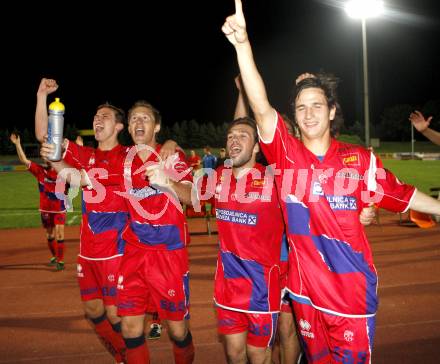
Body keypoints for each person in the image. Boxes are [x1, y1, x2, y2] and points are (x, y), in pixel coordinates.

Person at [222, 2, 440, 362]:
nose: (308, 114)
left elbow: (404, 195)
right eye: (301, 107)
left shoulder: (358, 160)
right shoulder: (285, 154)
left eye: (317, 106)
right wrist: (243, 45)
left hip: (350, 294)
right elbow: (260, 106)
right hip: (305, 294)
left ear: (333, 111)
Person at [36, 78, 128, 363]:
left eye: (105, 116)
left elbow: (77, 178)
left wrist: (56, 162)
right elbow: (45, 137)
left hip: (116, 251)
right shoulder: (85, 154)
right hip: (88, 251)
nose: (97, 119)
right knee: (93, 312)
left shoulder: (126, 156)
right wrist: (41, 97)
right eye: (96, 115)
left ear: (118, 127)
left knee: (116, 315)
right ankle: (124, 355)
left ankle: (132, 356)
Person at [115, 100, 195, 364]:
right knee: (130, 328)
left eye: (145, 118)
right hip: (135, 251)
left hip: (167, 255)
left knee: (177, 331)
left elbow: (193, 196)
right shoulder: (120, 159)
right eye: (134, 119)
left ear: (157, 126)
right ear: (128, 126)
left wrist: (167, 181)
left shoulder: (170, 156)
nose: (139, 123)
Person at [207, 116, 285, 364]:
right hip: (228, 286)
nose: (234, 140)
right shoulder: (219, 176)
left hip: (263, 288)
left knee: (258, 356)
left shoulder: (275, 181)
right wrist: (167, 183)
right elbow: (192, 194)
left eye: (242, 136)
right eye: (230, 136)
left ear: (256, 147)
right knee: (234, 354)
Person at [10, 133, 67, 271]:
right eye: (44, 157)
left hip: (59, 208)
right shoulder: (39, 170)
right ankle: (54, 256)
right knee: (50, 235)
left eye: (47, 156)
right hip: (45, 209)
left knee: (59, 234)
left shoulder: (61, 170)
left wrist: (70, 146)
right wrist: (17, 144)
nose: (45, 158)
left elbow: (70, 159)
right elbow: (24, 160)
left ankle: (60, 261)